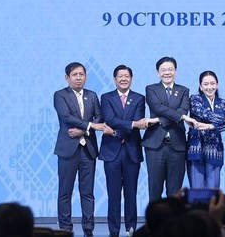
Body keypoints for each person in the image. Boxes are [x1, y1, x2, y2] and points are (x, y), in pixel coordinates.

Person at [53, 62, 112, 236]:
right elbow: (66, 117)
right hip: (67, 150)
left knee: (87, 193)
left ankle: (88, 229)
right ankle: (65, 229)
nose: (78, 78)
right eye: (74, 75)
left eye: (81, 74)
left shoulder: (92, 95)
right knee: (65, 192)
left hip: (88, 151)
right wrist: (90, 125)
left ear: (86, 76)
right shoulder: (60, 95)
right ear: (67, 78)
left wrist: (84, 129)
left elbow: (99, 116)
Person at [100, 64, 151, 237]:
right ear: (115, 79)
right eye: (120, 76)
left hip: (131, 151)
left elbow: (138, 121)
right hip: (111, 152)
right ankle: (113, 230)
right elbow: (109, 119)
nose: (123, 79)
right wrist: (128, 126)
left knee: (131, 193)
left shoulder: (139, 98)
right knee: (113, 194)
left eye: (126, 76)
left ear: (131, 78)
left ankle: (131, 229)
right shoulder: (106, 97)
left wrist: (115, 130)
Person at [143, 56, 191, 201]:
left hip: (177, 146)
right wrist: (178, 117)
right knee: (155, 189)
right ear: (158, 72)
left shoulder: (183, 90)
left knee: (175, 192)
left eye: (170, 69)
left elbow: (183, 110)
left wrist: (158, 120)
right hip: (155, 146)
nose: (167, 72)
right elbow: (157, 107)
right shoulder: (151, 89)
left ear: (175, 71)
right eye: (163, 70)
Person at [186, 70, 225, 189]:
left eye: (212, 83)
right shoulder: (194, 99)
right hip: (196, 147)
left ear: (217, 85)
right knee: (197, 189)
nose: (210, 87)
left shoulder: (224, 103)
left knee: (213, 190)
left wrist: (209, 126)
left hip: (215, 148)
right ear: (200, 86)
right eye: (206, 84)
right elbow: (204, 114)